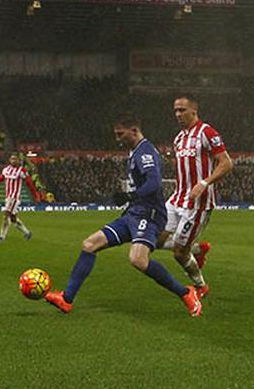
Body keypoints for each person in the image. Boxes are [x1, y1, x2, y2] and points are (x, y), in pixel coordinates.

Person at [44, 115, 201, 316]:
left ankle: (186, 292)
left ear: (134, 130)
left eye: (121, 134)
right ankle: (66, 299)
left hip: (149, 214)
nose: (117, 138)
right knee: (89, 245)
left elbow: (154, 183)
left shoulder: (145, 151)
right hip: (133, 213)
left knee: (138, 260)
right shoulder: (134, 150)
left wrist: (129, 195)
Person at [156, 94, 233, 297]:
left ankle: (200, 286)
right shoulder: (179, 138)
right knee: (154, 239)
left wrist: (204, 183)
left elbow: (226, 163)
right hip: (176, 198)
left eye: (182, 110)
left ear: (194, 111)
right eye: (175, 110)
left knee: (179, 253)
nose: (178, 114)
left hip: (198, 203)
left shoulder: (206, 132)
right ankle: (197, 249)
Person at [0, 154, 41, 241]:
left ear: (18, 160)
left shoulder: (22, 171)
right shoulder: (6, 169)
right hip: (8, 197)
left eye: (15, 159)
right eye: (12, 159)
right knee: (13, 219)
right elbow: (1, 178)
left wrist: (36, 195)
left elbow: (29, 184)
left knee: (5, 215)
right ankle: (27, 233)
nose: (13, 160)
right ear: (10, 160)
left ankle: (2, 236)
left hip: (14, 198)